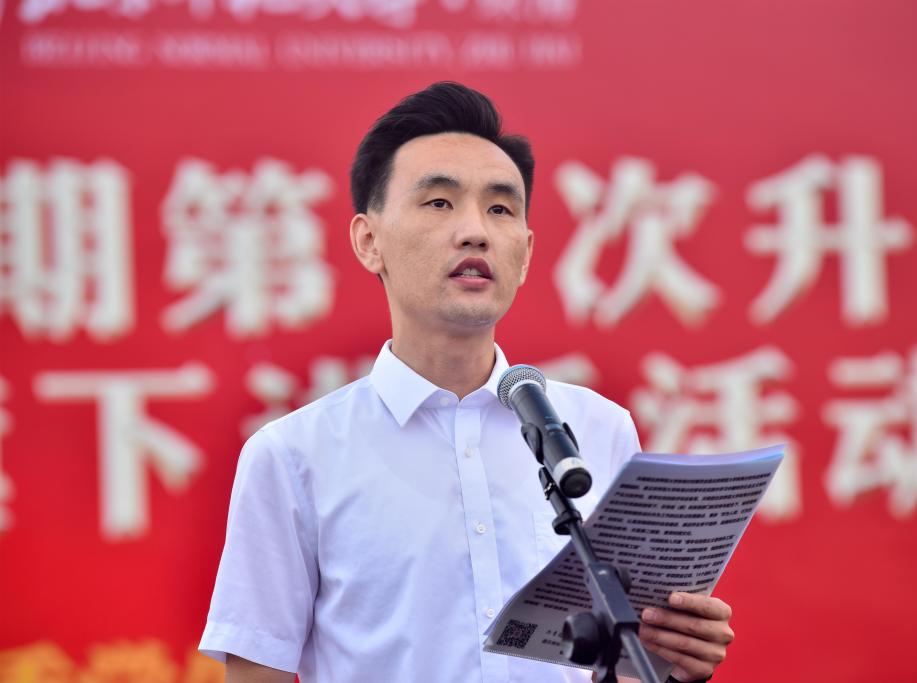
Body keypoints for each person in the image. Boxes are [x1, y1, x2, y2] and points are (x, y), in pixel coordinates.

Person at [199, 81, 735, 683]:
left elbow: (626, 669)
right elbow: (257, 672)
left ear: (525, 254)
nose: (475, 231)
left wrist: (675, 664)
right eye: (439, 203)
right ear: (369, 241)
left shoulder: (596, 429)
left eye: (500, 209)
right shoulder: (294, 455)